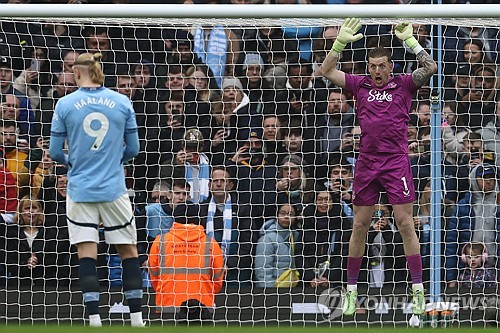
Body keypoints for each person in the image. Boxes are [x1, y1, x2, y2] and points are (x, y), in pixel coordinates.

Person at [320, 18, 437, 315]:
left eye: (382, 65)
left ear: (391, 66)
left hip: (396, 162)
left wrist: (411, 42)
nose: (376, 71)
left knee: (405, 223)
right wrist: (340, 43)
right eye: (372, 66)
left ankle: (419, 290)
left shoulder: (405, 83)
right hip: (367, 163)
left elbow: (431, 67)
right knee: (359, 224)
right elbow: (326, 70)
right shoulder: (359, 84)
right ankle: (351, 291)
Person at [48, 52, 144, 327]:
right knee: (128, 251)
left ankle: (94, 319)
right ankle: (136, 319)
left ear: (77, 72)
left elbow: (55, 152)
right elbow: (134, 149)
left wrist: (73, 163)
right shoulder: (122, 101)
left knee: (87, 254)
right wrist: (114, 161)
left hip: (80, 190)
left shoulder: (65, 104)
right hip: (114, 188)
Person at [148, 203, 224, 317]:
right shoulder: (210, 243)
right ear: (197, 218)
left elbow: (153, 275)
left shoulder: (160, 241)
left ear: (175, 218)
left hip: (168, 305)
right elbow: (218, 280)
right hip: (202, 308)